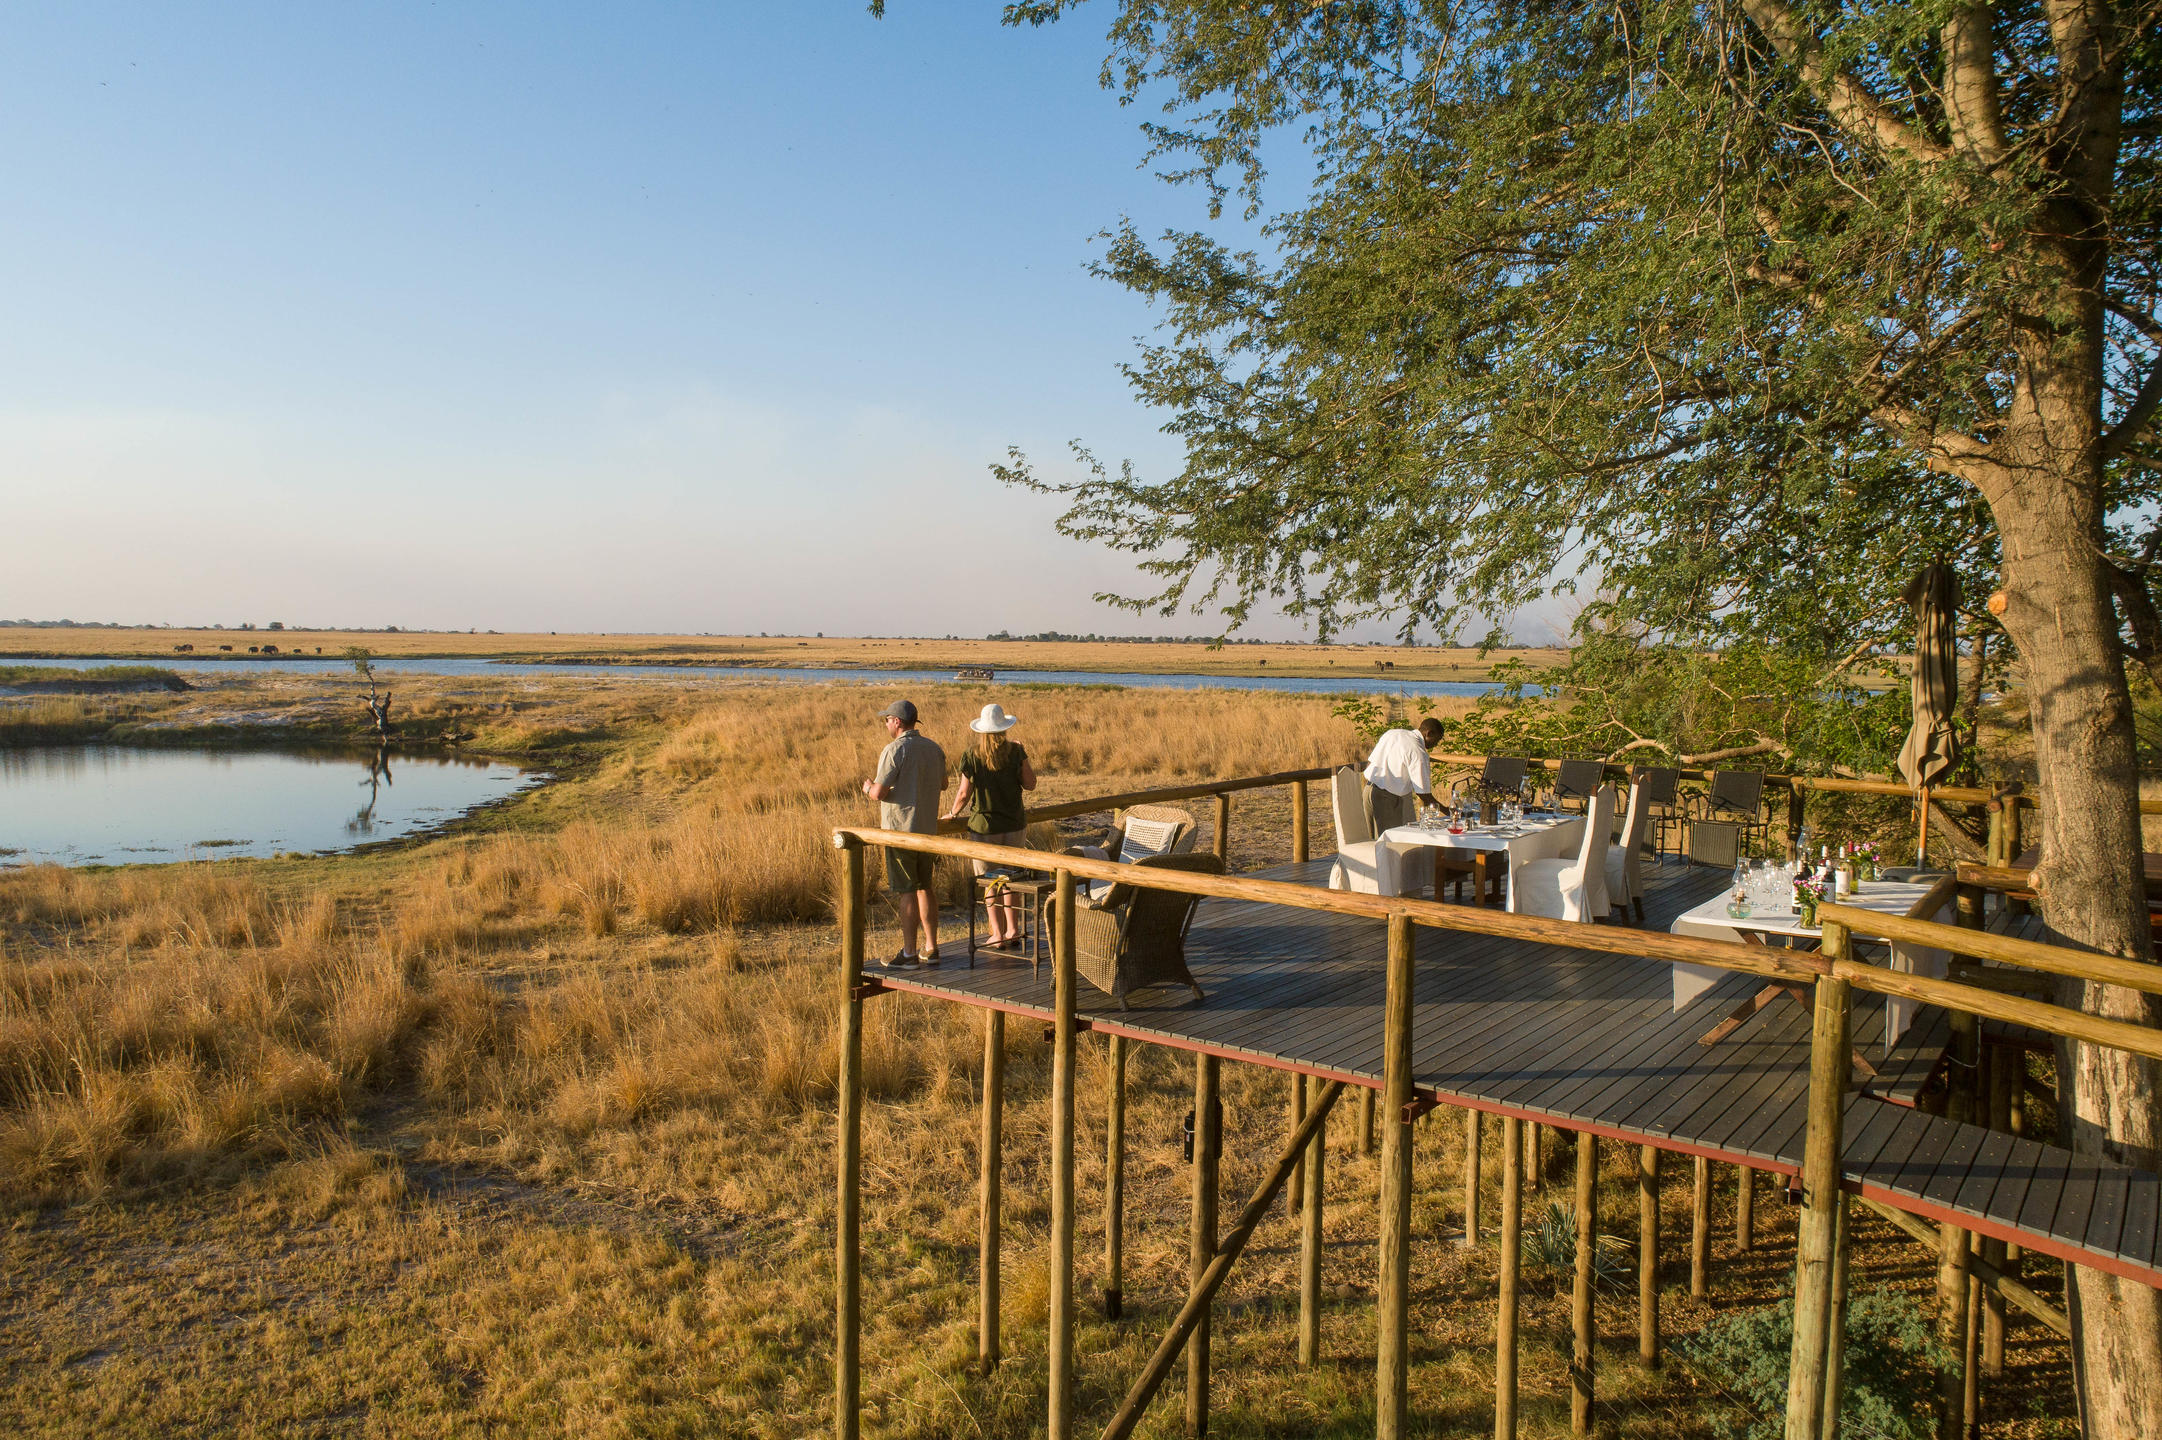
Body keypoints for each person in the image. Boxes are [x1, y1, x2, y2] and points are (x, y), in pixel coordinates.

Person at [942, 702, 1038, 949]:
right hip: (1014, 823)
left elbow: (964, 793)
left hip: (984, 826)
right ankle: (1013, 930)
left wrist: (953, 813)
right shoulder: (1016, 753)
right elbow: (1030, 784)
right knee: (1012, 879)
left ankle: (997, 933)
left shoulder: (972, 755)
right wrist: (1022, 754)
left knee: (989, 882)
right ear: (1004, 729)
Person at [862, 699, 946, 968]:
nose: (885, 724)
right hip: (928, 832)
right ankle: (931, 947)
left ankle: (909, 953)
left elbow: (879, 793)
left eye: (887, 720)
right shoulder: (934, 748)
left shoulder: (894, 750)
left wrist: (867, 788)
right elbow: (944, 784)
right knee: (925, 888)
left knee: (907, 892)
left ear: (897, 722)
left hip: (901, 832)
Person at [1362, 716, 1447, 834]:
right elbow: (1423, 793)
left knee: (1372, 841)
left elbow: (1370, 762)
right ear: (1429, 733)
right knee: (1388, 844)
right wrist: (1447, 811)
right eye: (1437, 740)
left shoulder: (1392, 733)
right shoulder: (1418, 752)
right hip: (1386, 799)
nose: (1436, 744)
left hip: (1368, 791)